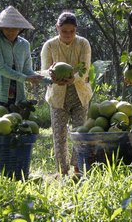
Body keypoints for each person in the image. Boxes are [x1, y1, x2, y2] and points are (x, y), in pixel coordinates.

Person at [41, 11, 92, 175]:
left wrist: (73, 78)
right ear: (57, 28)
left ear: (76, 30)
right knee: (59, 134)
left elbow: (85, 69)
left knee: (79, 132)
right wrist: (51, 74)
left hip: (80, 94)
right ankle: (62, 171)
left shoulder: (83, 43)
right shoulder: (49, 45)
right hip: (57, 95)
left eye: (72, 31)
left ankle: (78, 168)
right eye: (64, 31)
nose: (68, 35)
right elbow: (44, 71)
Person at [0, 6, 43, 111]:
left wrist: (48, 80)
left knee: (14, 125)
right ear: (1, 28)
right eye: (7, 28)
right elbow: (0, 67)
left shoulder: (24, 44)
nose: (11, 31)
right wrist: (25, 78)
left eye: (14, 28)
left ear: (20, 28)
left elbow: (27, 70)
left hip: (16, 96)